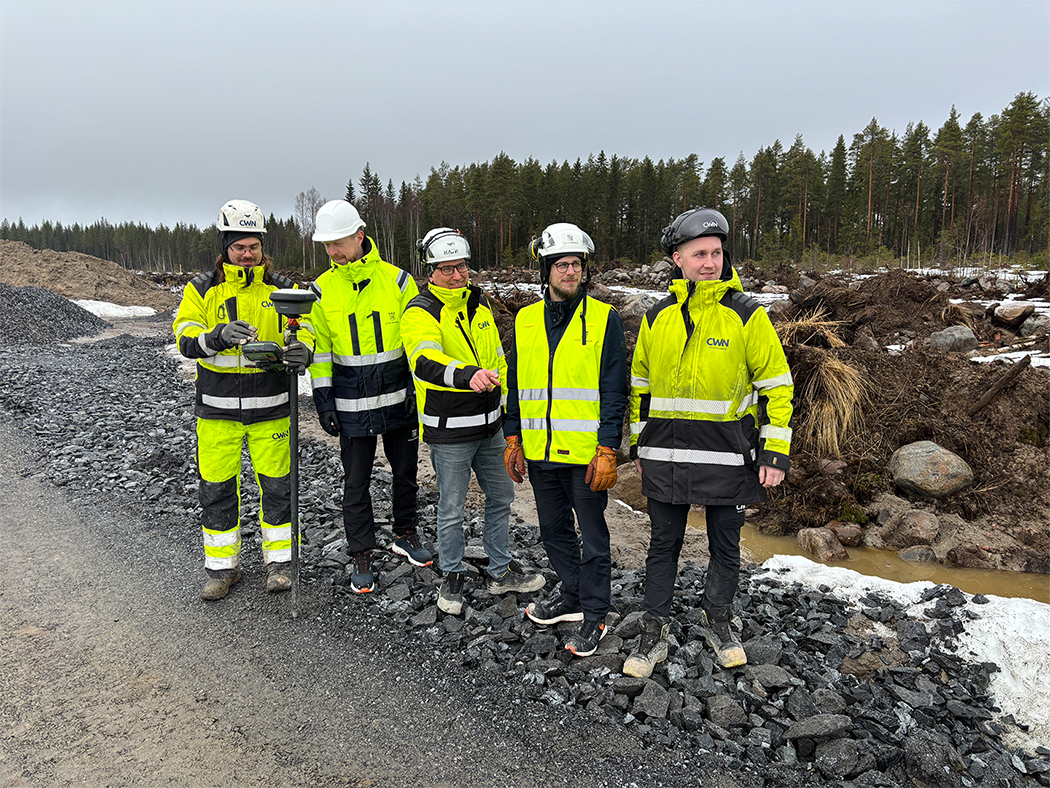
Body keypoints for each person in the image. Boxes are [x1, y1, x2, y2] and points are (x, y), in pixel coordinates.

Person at [625, 207, 793, 675]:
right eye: (699, 253)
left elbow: (777, 385)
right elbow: (640, 384)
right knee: (663, 543)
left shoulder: (746, 315)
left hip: (729, 456)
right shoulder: (656, 317)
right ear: (676, 258)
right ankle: (654, 627)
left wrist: (774, 451)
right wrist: (639, 446)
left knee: (725, 543)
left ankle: (717, 617)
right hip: (665, 455)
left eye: (716, 253)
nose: (709, 262)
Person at [173, 199, 315, 601]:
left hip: (271, 408)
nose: (247, 254)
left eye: (253, 246)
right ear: (225, 247)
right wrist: (216, 336)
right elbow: (185, 339)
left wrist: (302, 350)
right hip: (217, 411)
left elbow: (306, 329)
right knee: (216, 487)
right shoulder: (201, 289)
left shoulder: (284, 289)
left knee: (278, 488)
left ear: (262, 247)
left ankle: (281, 565)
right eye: (239, 247)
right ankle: (222, 569)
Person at [400, 228, 544, 616]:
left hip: (492, 427)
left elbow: (498, 360)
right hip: (449, 430)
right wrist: (468, 376)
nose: (456, 275)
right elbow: (425, 361)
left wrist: (510, 410)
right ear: (431, 270)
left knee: (501, 497)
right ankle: (452, 573)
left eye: (460, 267)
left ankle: (500, 569)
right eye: (446, 269)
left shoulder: (479, 308)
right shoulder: (420, 311)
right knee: (451, 506)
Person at [503, 223, 628, 657]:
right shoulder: (524, 320)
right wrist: (512, 436)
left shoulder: (604, 319)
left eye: (576, 264)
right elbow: (515, 382)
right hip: (539, 451)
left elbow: (615, 389)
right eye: (562, 264)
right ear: (546, 269)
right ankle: (572, 595)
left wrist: (608, 448)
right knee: (553, 531)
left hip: (585, 453)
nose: (570, 271)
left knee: (593, 537)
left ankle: (595, 615)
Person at [308, 200, 430, 594]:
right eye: (325, 245)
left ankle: (405, 532)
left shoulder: (397, 282)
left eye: (337, 243)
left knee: (405, 472)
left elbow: (417, 341)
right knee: (356, 481)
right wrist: (323, 400)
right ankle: (361, 551)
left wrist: (418, 392)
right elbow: (322, 351)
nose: (332, 252)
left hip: (398, 397)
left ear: (360, 236)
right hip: (350, 402)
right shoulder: (321, 290)